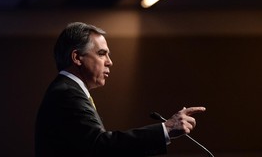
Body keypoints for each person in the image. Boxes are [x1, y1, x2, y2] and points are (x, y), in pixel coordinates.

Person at [35, 22, 206, 156]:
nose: (110, 62)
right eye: (102, 53)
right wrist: (166, 129)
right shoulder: (67, 94)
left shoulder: (66, 90)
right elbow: (100, 146)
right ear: (77, 57)